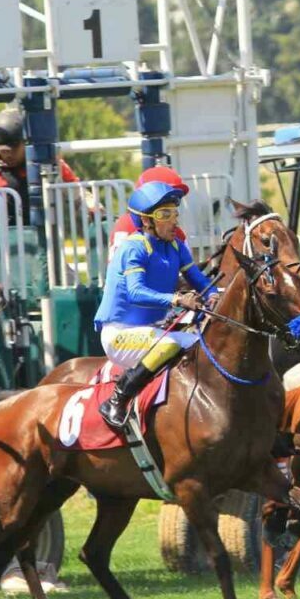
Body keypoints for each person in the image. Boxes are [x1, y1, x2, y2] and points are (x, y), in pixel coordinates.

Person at [94, 181, 213, 430]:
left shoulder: (176, 247)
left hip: (150, 332)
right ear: (146, 221)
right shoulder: (134, 247)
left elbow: (200, 281)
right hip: (119, 335)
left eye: (174, 213)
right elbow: (136, 292)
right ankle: (117, 399)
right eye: (164, 214)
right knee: (169, 344)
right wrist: (177, 299)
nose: (174, 221)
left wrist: (215, 295)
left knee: (203, 347)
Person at [0, 108, 81, 225]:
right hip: (5, 239)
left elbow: (78, 194)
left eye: (13, 148)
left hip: (47, 237)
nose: (8, 154)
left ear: (26, 142)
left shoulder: (51, 164)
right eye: (3, 150)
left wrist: (94, 208)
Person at [109, 165, 190, 254]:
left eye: (177, 197)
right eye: (167, 196)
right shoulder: (128, 224)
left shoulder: (176, 232)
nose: (173, 201)